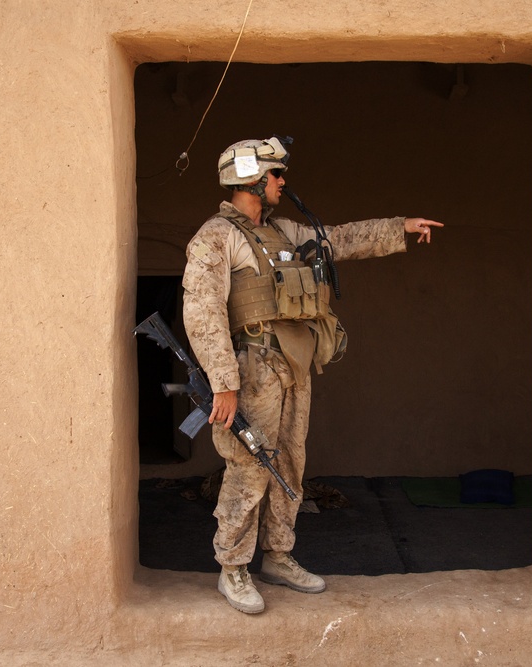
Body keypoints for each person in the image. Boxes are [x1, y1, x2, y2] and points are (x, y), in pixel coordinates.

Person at [181, 137, 443, 614]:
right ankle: (233, 567)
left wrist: (398, 228)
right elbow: (202, 313)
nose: (283, 181)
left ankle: (278, 554)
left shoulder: (282, 231)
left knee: (290, 463)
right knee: (249, 465)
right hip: (250, 369)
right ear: (253, 179)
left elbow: (336, 239)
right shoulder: (216, 237)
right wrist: (223, 382)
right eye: (276, 174)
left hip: (294, 365)